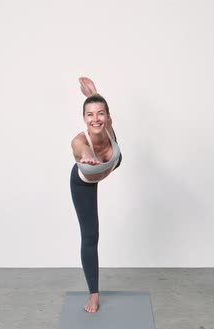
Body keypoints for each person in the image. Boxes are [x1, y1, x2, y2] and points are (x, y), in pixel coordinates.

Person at [70, 77, 122, 313]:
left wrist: (93, 93)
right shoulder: (80, 141)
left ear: (107, 116)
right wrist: (85, 158)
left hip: (111, 164)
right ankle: (93, 296)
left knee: (115, 152)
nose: (96, 119)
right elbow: (79, 149)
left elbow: (102, 110)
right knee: (91, 236)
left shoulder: (108, 126)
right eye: (89, 115)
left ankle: (96, 98)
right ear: (83, 119)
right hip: (84, 182)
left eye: (100, 114)